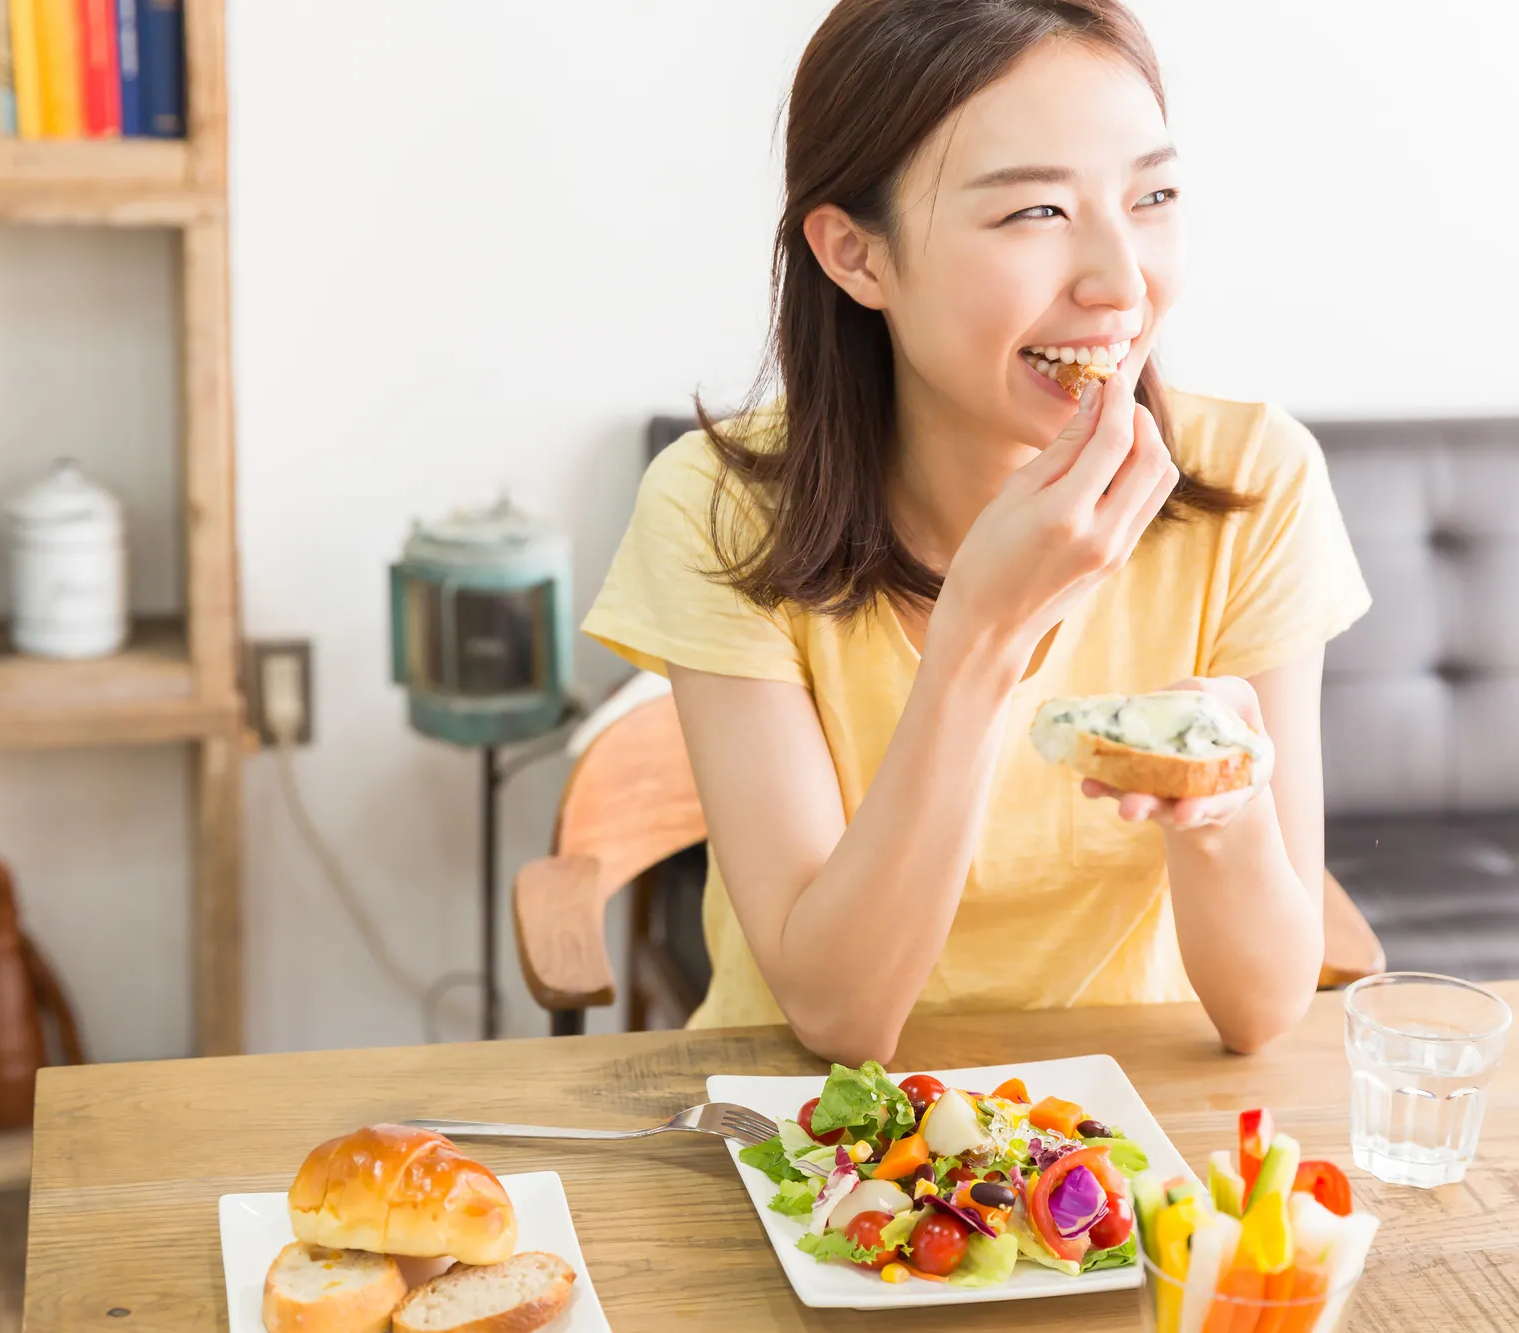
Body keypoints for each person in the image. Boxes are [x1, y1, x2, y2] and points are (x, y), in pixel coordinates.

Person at [583, 0, 1370, 1065]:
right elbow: (835, 1015)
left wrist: (1216, 797)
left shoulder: (1253, 482)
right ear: (856, 256)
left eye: (1152, 196)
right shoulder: (718, 507)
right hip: (799, 1132)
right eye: (1033, 214)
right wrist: (982, 631)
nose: (1119, 282)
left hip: (1114, 1144)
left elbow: (1262, 1008)